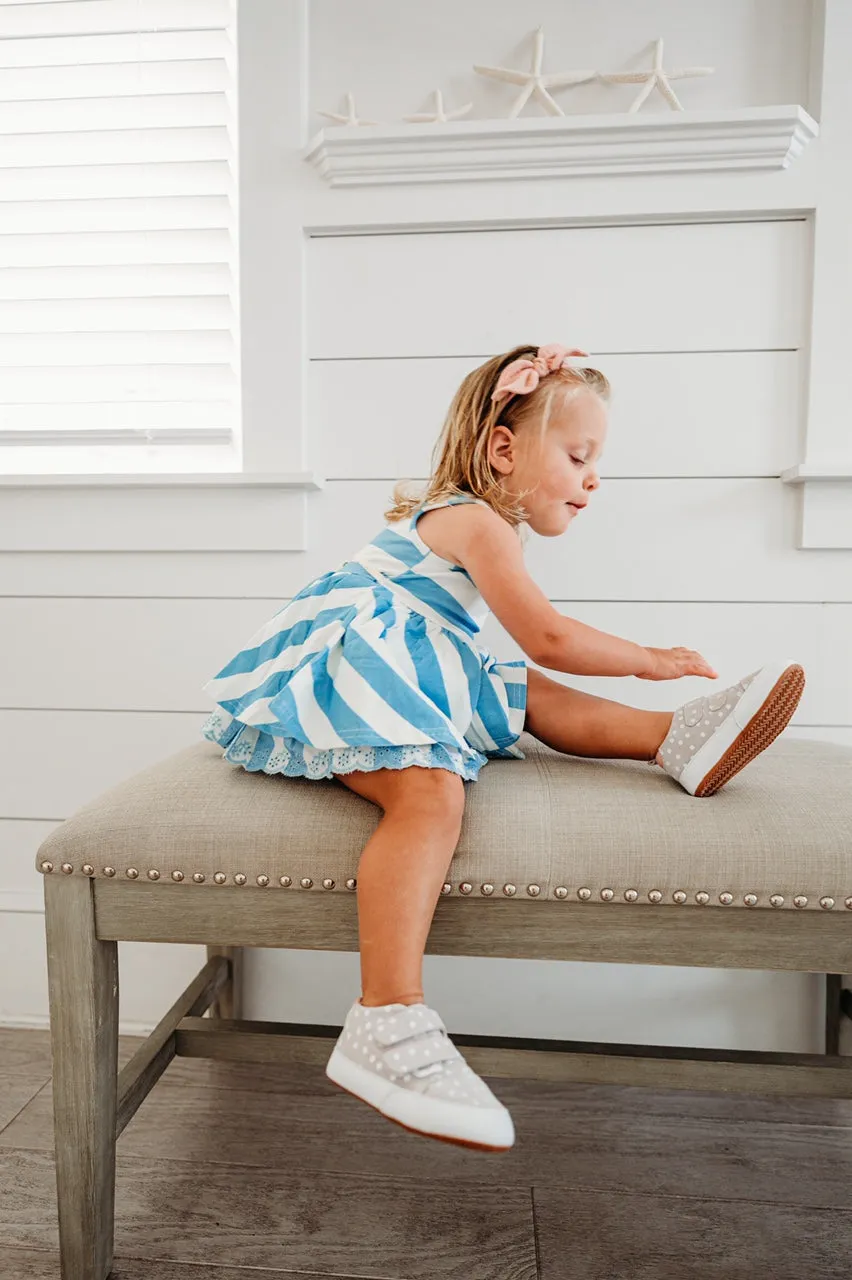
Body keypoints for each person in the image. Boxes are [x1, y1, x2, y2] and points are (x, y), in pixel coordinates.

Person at [200, 341, 805, 1154]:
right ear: (502, 447)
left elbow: (522, 659)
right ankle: (385, 1016)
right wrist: (648, 658)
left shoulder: (480, 524)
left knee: (515, 689)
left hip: (414, 657)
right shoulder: (474, 520)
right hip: (354, 671)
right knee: (432, 793)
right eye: (580, 455)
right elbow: (547, 633)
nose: (595, 478)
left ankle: (676, 741)